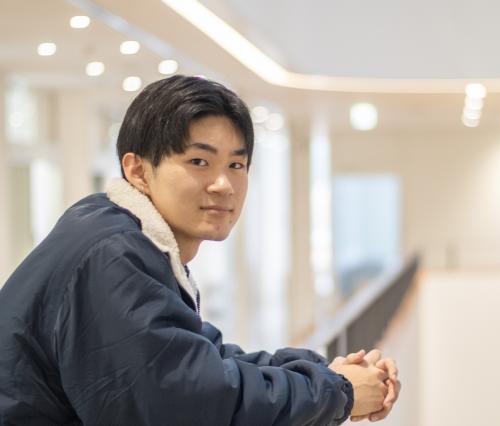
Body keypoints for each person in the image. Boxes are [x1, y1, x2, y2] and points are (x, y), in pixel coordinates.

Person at [0, 75, 400, 425]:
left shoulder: (120, 232)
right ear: (137, 170)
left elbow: (202, 358)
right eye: (198, 161)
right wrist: (339, 391)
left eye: (236, 166)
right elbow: (188, 403)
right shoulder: (113, 254)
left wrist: (327, 374)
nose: (223, 185)